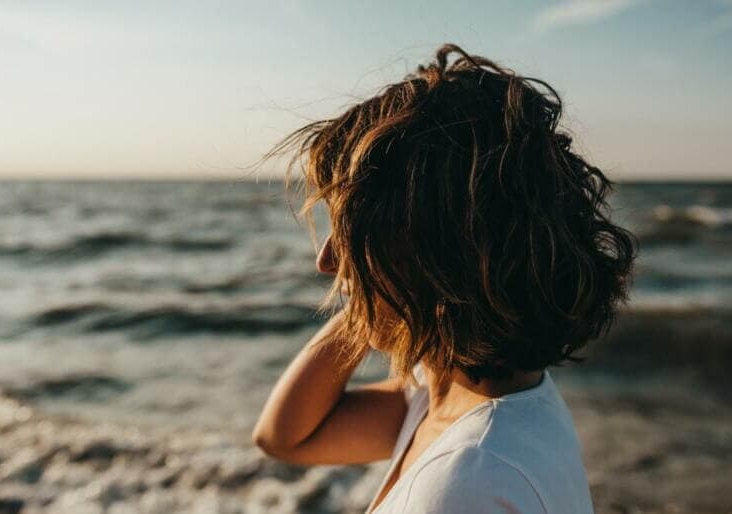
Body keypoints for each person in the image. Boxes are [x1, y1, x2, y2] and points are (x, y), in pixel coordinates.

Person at [251, 43, 637, 513]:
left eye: (349, 234)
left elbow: (286, 440)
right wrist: (371, 293)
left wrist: (379, 287)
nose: (326, 261)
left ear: (429, 248)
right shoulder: (459, 399)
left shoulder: (468, 484)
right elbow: (285, 437)